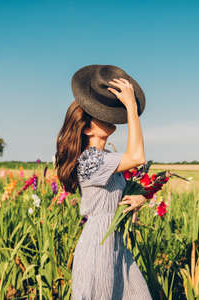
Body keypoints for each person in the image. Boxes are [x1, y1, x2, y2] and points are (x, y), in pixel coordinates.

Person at [55, 65, 153, 299]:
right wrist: (130, 106)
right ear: (87, 128)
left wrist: (138, 199)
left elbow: (117, 195)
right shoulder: (89, 160)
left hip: (117, 246)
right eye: (98, 114)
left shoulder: (108, 159)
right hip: (98, 247)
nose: (107, 116)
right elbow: (138, 157)